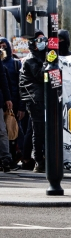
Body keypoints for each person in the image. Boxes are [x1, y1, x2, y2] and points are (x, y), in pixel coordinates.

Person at [19, 31, 45, 173]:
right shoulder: (30, 60)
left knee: (38, 129)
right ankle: (38, 160)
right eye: (39, 40)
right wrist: (49, 61)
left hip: (41, 98)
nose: (43, 43)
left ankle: (39, 158)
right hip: (35, 99)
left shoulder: (40, 57)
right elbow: (41, 76)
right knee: (37, 130)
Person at [0, 38, 26, 170]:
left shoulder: (15, 64)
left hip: (10, 104)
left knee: (10, 131)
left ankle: (11, 158)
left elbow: (16, 85)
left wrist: (18, 104)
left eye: (4, 46)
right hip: (6, 101)